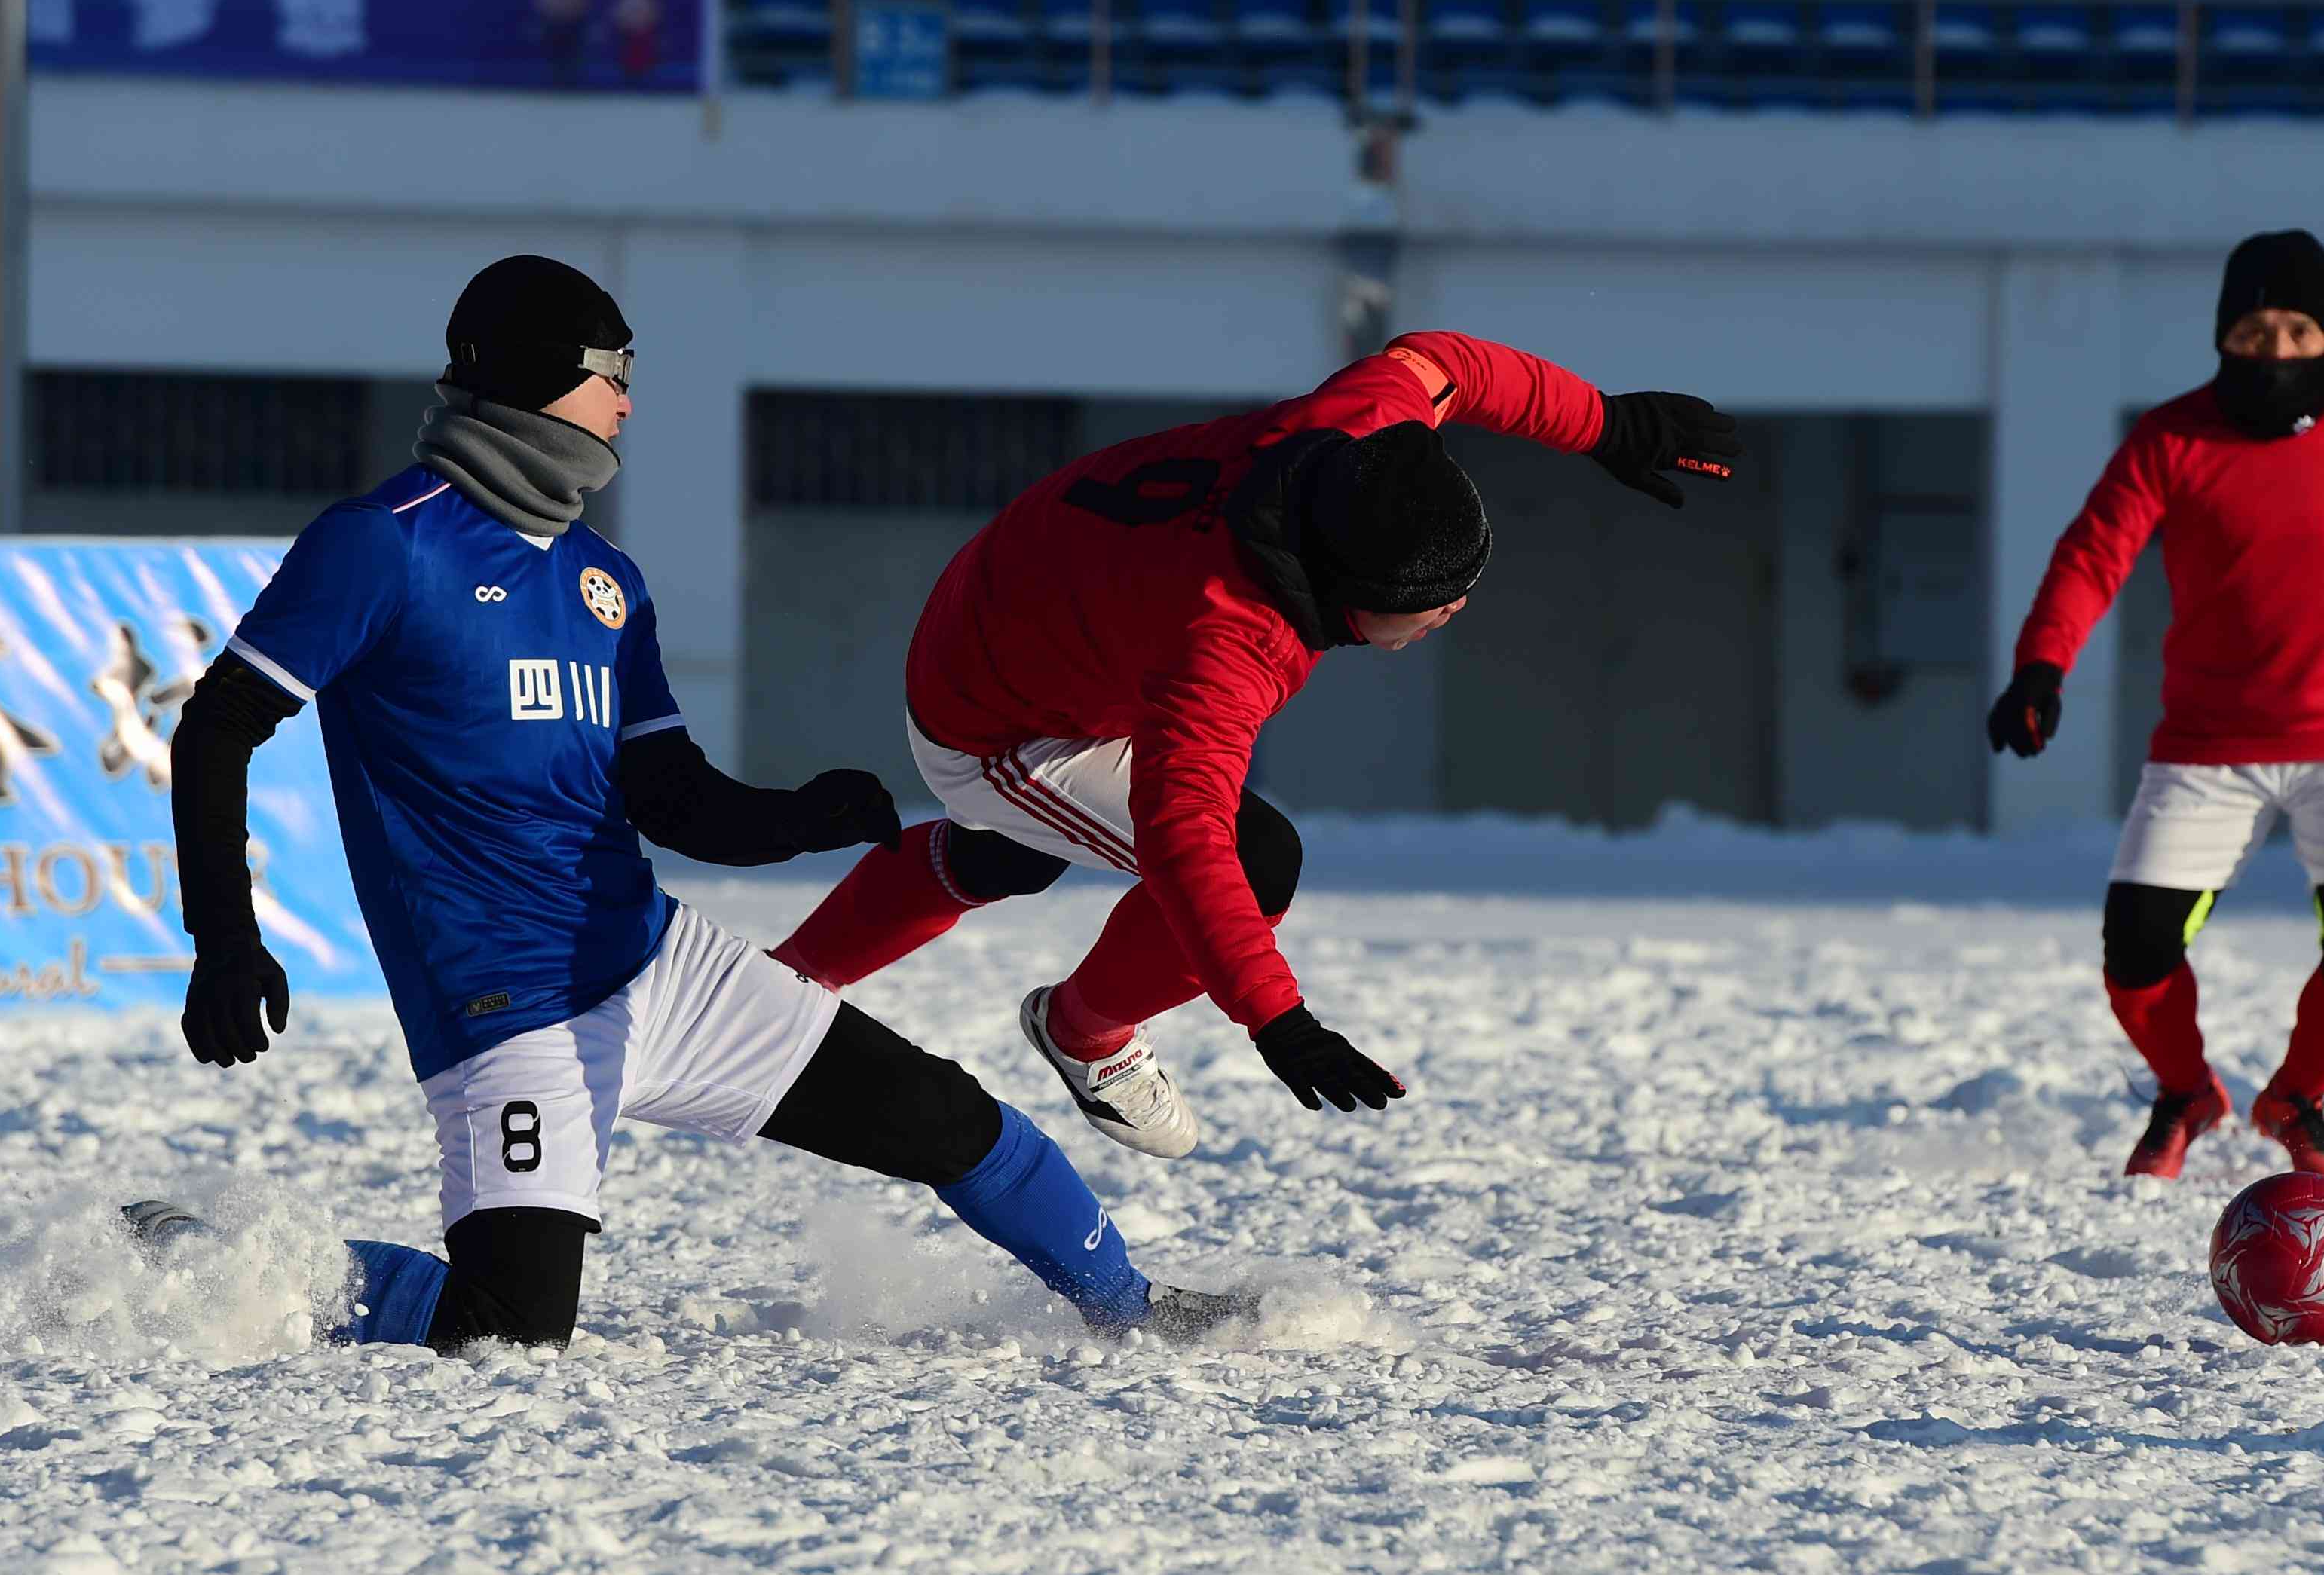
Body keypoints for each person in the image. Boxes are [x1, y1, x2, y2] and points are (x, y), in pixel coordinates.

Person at [146, 255, 1244, 1351]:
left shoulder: (604, 578)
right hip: (508, 1006)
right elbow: (218, 725)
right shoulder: (384, 540)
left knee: (947, 1117)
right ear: (535, 374)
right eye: (609, 368)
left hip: (657, 962)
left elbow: (673, 800)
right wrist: (223, 938)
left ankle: (1133, 1309)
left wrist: (805, 816)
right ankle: (227, 1259)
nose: (628, 396)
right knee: (509, 1332)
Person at [771, 333, 1741, 1158]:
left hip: (1019, 594)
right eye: (1427, 610)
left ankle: (778, 985)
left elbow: (1444, 361)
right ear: (1345, 594)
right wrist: (1280, 1019)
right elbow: (1186, 839)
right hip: (996, 722)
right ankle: (1083, 1029)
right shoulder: (1229, 639)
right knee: (1256, 855)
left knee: (1014, 852)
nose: (1448, 616)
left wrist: (1610, 423)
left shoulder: (1357, 424)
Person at [1986, 231, 2324, 1185]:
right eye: (2255, 330)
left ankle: (2297, 1096)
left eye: (2297, 330)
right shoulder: (2172, 437)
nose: (2277, 351)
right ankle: (2185, 1091)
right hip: (2210, 745)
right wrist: (2042, 667)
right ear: (2224, 335)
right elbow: (2094, 554)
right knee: (2135, 951)